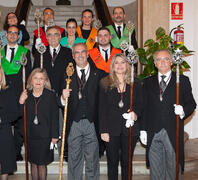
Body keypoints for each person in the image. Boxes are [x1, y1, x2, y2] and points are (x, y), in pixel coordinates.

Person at [141, 49, 196, 179]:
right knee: (155, 170)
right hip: (153, 131)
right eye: (159, 59)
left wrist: (183, 110)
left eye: (166, 59)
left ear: (171, 61)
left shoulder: (182, 80)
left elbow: (191, 104)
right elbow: (143, 107)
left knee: (173, 169)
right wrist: (142, 129)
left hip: (173, 131)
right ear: (154, 63)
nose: (162, 62)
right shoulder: (148, 82)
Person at [60, 43, 106, 180]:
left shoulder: (100, 74)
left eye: (83, 52)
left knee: (92, 159)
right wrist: (62, 97)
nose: (80, 55)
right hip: (74, 122)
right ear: (73, 56)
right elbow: (58, 99)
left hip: (93, 123)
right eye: (77, 53)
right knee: (74, 159)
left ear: (87, 54)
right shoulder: (66, 75)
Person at [98, 53, 143, 180]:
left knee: (127, 162)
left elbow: (141, 103)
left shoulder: (136, 82)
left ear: (128, 65)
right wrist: (103, 130)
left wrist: (135, 113)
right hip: (111, 129)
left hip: (130, 129)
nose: (120, 65)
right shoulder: (104, 83)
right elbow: (101, 109)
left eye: (123, 62)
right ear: (112, 66)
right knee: (112, 162)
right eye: (117, 63)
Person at [0, 25, 32, 161]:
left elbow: (28, 72)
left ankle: (16, 150)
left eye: (15, 33)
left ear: (19, 36)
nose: (12, 35)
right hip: (2, 91)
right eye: (10, 32)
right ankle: (1, 149)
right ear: (6, 35)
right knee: (1, 121)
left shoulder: (24, 52)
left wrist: (26, 90)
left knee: (19, 123)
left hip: (18, 92)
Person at [19, 68, 59, 180]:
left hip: (45, 136)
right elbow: (19, 114)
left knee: (41, 164)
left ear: (45, 81)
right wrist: (21, 102)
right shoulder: (26, 95)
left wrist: (55, 135)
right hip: (30, 135)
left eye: (41, 78)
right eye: (35, 78)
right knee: (33, 163)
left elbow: (54, 117)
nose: (38, 81)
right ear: (31, 80)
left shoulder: (50, 95)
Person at [33, 26, 73, 94]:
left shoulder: (68, 52)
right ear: (46, 37)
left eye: (56, 34)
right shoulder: (40, 52)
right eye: (49, 35)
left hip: (62, 92)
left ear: (60, 36)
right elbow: (35, 72)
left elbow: (71, 72)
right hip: (44, 92)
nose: (53, 37)